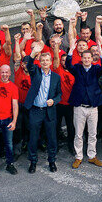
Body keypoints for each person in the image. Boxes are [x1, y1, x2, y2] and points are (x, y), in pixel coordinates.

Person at [66, 15, 102, 169]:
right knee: (78, 134)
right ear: (81, 58)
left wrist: (101, 51)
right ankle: (78, 156)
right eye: (84, 57)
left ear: (92, 58)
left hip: (93, 108)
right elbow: (68, 65)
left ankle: (92, 155)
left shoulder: (97, 69)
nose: (86, 60)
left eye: (89, 58)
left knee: (92, 134)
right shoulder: (76, 68)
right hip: (79, 107)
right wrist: (71, 50)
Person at [20, 43, 62, 173]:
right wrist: (33, 53)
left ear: (50, 62)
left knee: (51, 138)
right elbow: (30, 64)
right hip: (36, 110)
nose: (44, 62)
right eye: (42, 60)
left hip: (49, 111)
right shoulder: (35, 73)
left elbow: (59, 94)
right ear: (40, 61)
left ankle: (52, 161)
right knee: (33, 137)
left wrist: (54, 101)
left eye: (47, 60)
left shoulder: (56, 77)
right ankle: (33, 162)